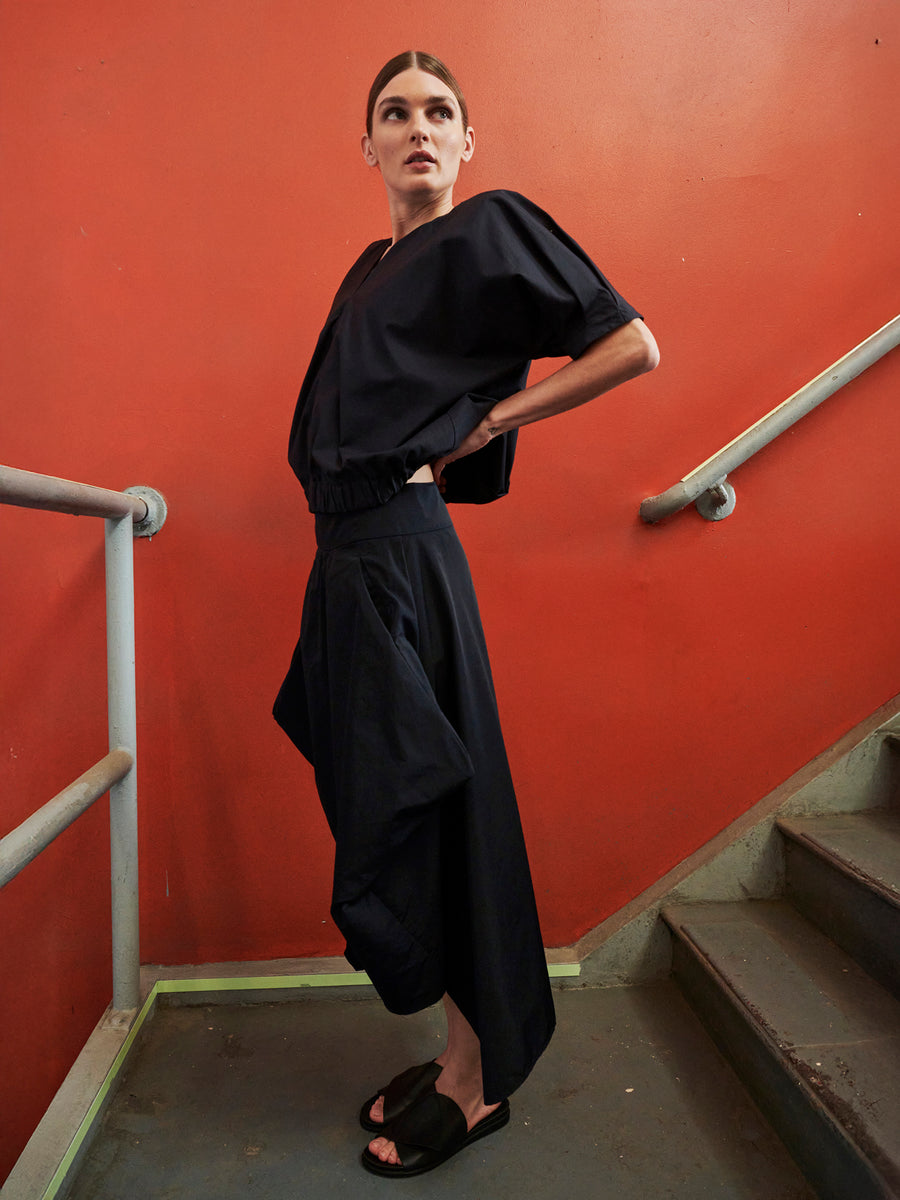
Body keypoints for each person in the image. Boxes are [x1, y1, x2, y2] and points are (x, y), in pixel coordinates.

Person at [273, 50, 659, 1179]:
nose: (418, 129)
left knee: (444, 811)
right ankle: (455, 1047)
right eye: (395, 114)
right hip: (345, 557)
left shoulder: (489, 225)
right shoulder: (368, 263)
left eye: (440, 111)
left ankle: (479, 1079)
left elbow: (632, 343)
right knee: (383, 804)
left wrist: (495, 421)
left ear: (467, 141)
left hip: (400, 553)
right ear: (368, 146)